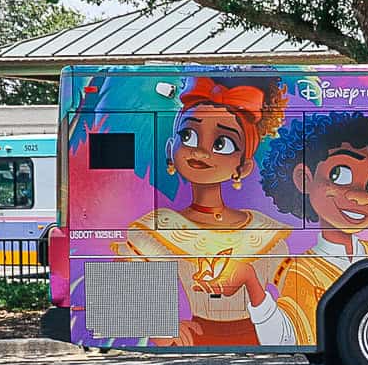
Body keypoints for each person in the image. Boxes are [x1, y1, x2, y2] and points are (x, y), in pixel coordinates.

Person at [209, 111, 368, 346]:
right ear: (304, 179)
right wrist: (251, 281)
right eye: (340, 175)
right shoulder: (302, 270)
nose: (361, 198)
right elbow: (284, 340)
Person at [113, 75, 290, 346]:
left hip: (259, 334)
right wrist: (162, 329)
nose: (201, 152)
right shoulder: (154, 229)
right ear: (171, 150)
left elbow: (297, 301)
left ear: (242, 167)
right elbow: (125, 293)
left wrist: (250, 280)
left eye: (222, 143)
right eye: (189, 135)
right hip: (194, 336)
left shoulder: (266, 232)